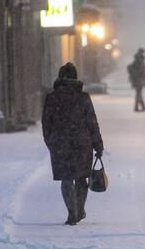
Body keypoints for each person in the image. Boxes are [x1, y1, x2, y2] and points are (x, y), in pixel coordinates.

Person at [42, 63, 104, 226]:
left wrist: (50, 142)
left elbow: (46, 123)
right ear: (75, 78)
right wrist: (98, 144)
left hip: (60, 143)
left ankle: (71, 212)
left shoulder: (52, 98)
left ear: (60, 77)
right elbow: (92, 122)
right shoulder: (83, 97)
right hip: (82, 143)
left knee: (66, 179)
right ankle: (80, 210)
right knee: (81, 178)